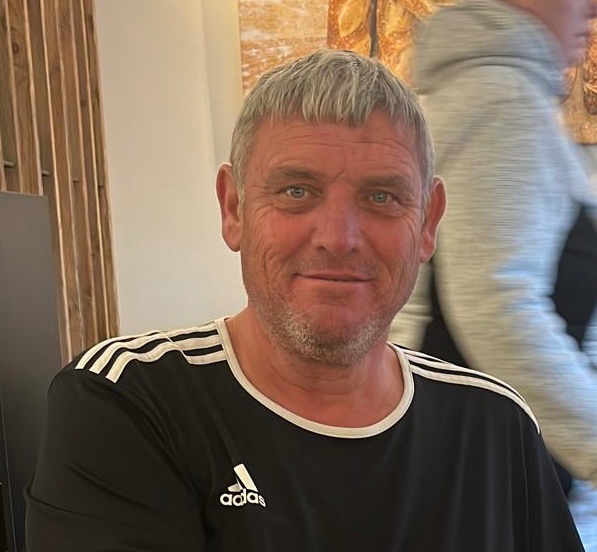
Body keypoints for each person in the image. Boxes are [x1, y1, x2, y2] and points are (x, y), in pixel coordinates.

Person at [26, 49, 583, 551]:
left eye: (381, 196)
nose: (339, 238)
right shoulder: (128, 401)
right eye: (297, 191)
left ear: (427, 223)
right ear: (234, 209)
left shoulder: (495, 426)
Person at [390, 0, 597, 495]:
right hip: (485, 468)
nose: (591, 8)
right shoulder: (503, 101)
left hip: (477, 458)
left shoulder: (485, 92)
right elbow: (497, 307)